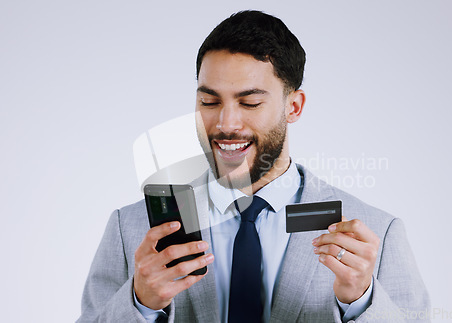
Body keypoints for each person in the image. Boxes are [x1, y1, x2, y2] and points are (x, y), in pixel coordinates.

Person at [78, 10, 430, 323]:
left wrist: (361, 302)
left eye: (249, 102)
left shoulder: (377, 234)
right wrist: (140, 305)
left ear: (293, 107)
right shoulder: (131, 228)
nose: (226, 123)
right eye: (209, 100)